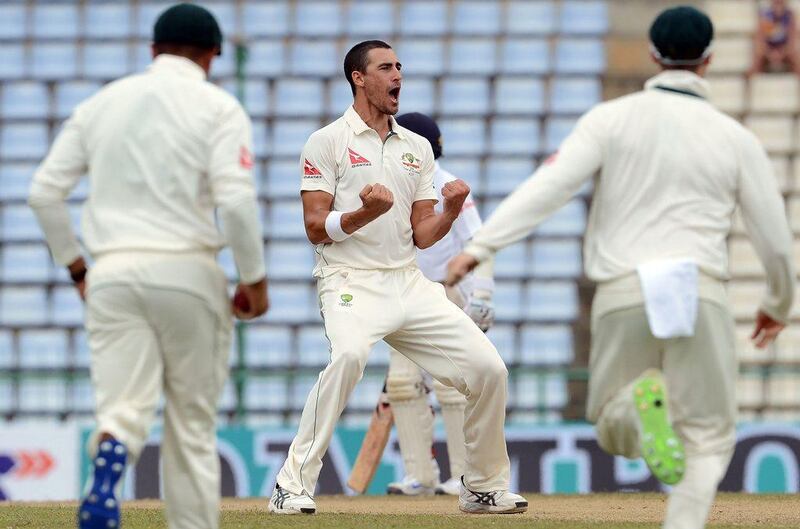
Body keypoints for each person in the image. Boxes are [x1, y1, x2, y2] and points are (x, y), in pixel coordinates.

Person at [448, 7, 794, 529]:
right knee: (709, 437)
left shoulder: (610, 118)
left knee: (611, 424)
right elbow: (776, 238)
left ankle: (636, 407)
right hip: (702, 290)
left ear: (654, 56)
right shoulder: (735, 137)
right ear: (709, 60)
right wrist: (776, 303)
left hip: (624, 289)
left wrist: (482, 246)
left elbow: (552, 185)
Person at [28, 4, 268, 529]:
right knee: (191, 427)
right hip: (189, 272)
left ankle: (114, 448)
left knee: (122, 409)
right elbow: (235, 202)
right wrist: (255, 279)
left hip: (112, 272)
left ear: (153, 50)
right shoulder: (218, 107)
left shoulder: (100, 104)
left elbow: (44, 193)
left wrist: (78, 270)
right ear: (213, 54)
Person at [268, 40, 526, 515]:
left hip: (407, 281)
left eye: (400, 67)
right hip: (349, 279)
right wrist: (363, 214)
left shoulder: (417, 148)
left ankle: (482, 485)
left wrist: (448, 210)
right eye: (385, 68)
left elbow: (425, 235)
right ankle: (291, 484)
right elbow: (313, 227)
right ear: (358, 78)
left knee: (489, 370)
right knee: (348, 357)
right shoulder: (327, 142)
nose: (397, 76)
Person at [384, 113, 496, 497]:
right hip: (405, 292)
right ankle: (421, 476)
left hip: (448, 294)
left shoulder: (448, 185)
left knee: (451, 386)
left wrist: (482, 295)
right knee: (401, 385)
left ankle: (463, 475)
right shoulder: (390, 184)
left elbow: (479, 243)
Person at [749, 0, 800, 75]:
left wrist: (782, 52)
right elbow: (760, 38)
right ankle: (750, 83)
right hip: (768, 49)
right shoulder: (764, 15)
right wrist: (769, 53)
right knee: (757, 57)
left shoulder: (790, 15)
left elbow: (791, 39)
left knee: (796, 59)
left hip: (784, 49)